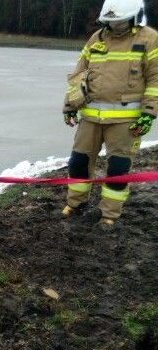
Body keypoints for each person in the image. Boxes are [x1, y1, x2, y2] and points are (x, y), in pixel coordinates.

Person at [62, 0, 158, 226]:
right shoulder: (97, 38)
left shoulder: (150, 39)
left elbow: (155, 79)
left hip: (126, 121)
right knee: (78, 162)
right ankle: (75, 203)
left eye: (120, 21)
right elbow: (78, 74)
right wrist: (69, 106)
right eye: (111, 21)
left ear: (134, 17)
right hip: (91, 117)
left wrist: (149, 113)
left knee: (118, 168)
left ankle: (109, 215)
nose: (115, 26)